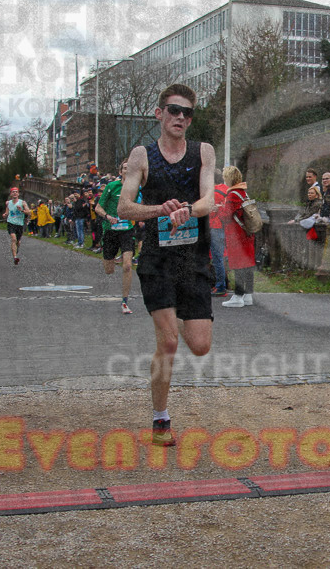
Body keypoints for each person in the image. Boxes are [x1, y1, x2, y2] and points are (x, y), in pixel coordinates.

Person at [118, 84, 215, 448]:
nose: (180, 118)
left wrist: (189, 209)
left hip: (193, 259)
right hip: (158, 259)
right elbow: (124, 208)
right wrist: (160, 210)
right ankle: (161, 418)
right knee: (170, 343)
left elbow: (209, 199)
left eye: (187, 113)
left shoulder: (203, 151)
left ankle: (172, 322)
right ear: (159, 114)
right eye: (173, 110)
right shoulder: (142, 155)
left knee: (200, 345)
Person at [95, 160, 137, 315]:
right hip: (111, 229)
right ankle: (108, 257)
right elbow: (98, 207)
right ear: (120, 172)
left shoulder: (136, 188)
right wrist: (107, 216)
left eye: (130, 168)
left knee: (127, 265)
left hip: (127, 230)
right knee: (109, 269)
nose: (127, 170)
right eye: (125, 168)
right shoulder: (112, 187)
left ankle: (125, 302)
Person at [219, 166, 256, 308]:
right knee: (248, 265)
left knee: (238, 265)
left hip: (236, 236)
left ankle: (238, 296)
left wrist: (219, 209)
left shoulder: (232, 194)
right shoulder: (243, 193)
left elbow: (225, 216)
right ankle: (248, 295)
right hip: (247, 233)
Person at [208, 169, 229, 297]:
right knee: (222, 257)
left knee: (216, 258)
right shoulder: (226, 189)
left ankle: (220, 286)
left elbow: (210, 211)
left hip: (215, 226)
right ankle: (223, 283)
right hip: (225, 226)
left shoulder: (213, 192)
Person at [2, 186, 32, 265]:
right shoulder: (8, 203)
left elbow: (29, 212)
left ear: (18, 194)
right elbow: (7, 212)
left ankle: (16, 248)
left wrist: (21, 210)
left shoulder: (22, 202)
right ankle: (15, 257)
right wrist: (5, 215)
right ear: (11, 194)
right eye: (13, 192)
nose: (14, 193)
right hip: (11, 223)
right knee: (13, 239)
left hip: (20, 224)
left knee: (18, 242)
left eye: (16, 192)